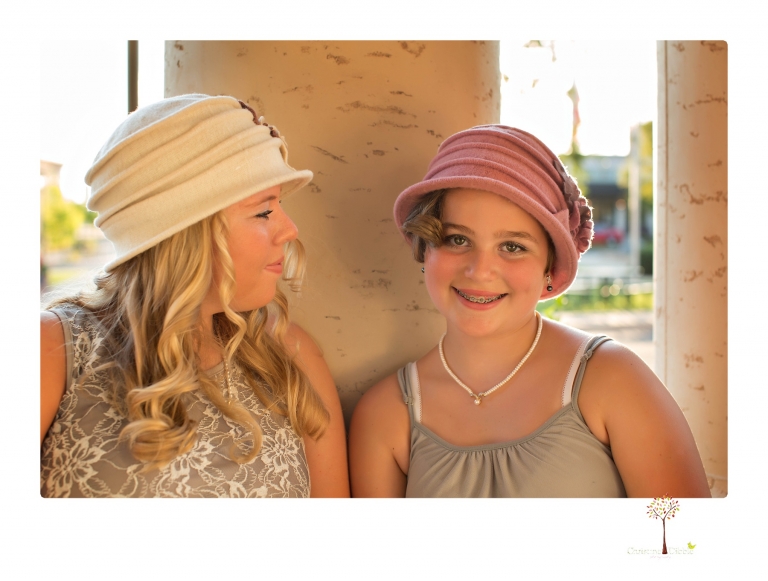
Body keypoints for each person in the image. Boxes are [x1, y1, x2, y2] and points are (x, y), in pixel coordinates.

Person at [349, 124, 710, 498]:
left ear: (549, 268)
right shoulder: (385, 416)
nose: (480, 271)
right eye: (457, 239)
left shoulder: (615, 381)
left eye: (513, 247)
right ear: (425, 249)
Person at [40, 94, 349, 497]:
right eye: (263, 211)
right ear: (185, 231)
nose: (290, 230)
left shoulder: (288, 357)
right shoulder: (52, 352)